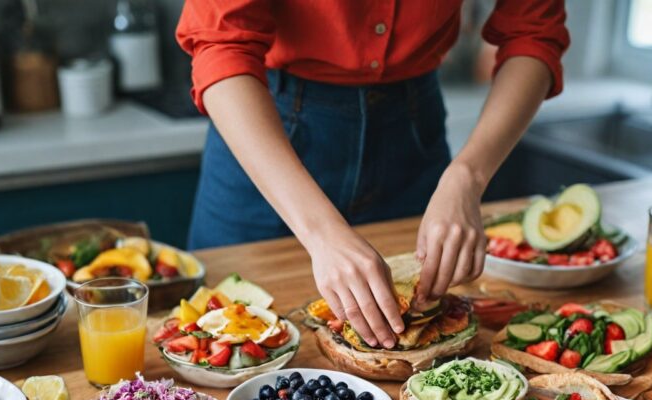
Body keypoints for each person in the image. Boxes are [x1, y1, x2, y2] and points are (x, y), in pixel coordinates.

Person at [176, 1, 569, 349]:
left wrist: (467, 178)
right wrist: (322, 232)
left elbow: (532, 32)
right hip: (264, 131)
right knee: (218, 343)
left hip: (411, 135)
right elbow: (220, 45)